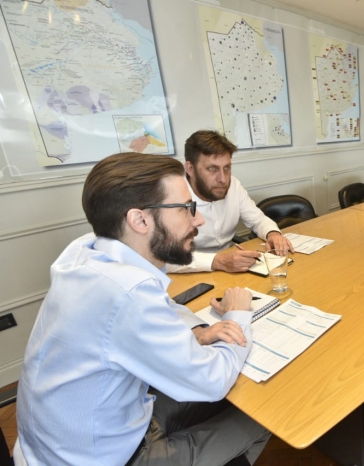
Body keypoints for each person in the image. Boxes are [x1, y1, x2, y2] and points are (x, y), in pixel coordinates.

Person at [14, 153, 270, 465]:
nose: (199, 219)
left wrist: (198, 330)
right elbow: (212, 381)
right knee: (268, 415)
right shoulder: (128, 294)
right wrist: (238, 314)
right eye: (187, 209)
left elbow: (148, 306)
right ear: (140, 220)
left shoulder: (88, 250)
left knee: (235, 398)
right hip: (107, 457)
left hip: (64, 439)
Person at [167, 130, 294, 273]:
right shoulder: (171, 195)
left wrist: (273, 234)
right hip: (191, 270)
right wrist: (218, 261)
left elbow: (257, 219)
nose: (223, 179)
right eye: (212, 168)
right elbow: (164, 257)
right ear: (190, 168)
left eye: (226, 168)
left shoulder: (233, 185)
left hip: (232, 265)